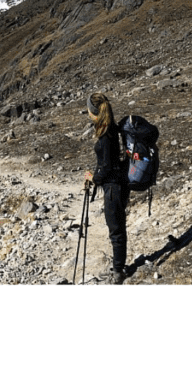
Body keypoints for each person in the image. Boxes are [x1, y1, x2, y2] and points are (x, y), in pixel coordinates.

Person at [84, 91, 130, 284]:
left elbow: (107, 168)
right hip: (118, 185)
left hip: (113, 188)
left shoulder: (105, 136)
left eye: (88, 108)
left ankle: (118, 272)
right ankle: (117, 266)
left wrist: (93, 178)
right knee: (117, 226)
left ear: (93, 112)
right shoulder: (110, 128)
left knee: (116, 229)